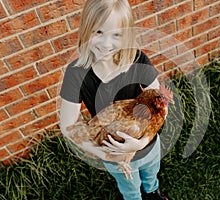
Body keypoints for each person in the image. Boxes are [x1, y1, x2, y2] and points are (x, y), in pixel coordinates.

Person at [59, 0, 169, 199]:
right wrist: (107, 155)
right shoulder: (76, 73)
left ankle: (153, 192)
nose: (106, 44)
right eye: (98, 32)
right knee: (130, 188)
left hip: (149, 144)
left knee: (151, 174)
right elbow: (68, 125)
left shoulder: (138, 60)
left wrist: (141, 143)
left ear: (126, 35)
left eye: (116, 35)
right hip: (113, 152)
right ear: (86, 28)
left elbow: (161, 105)